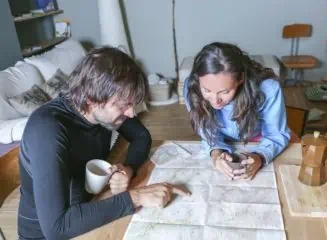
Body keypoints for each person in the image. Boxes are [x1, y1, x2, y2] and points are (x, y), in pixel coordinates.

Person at [18, 47, 190, 240]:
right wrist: (137, 196)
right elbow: (57, 228)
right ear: (92, 99)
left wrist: (129, 169)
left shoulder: (99, 111)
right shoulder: (47, 130)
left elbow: (141, 136)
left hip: (90, 209)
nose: (132, 113)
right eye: (123, 105)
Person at [184, 42, 290, 180]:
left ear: (240, 78)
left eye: (225, 91)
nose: (215, 101)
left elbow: (276, 134)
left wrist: (260, 157)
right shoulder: (192, 87)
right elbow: (206, 129)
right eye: (207, 90)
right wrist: (216, 153)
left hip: (257, 140)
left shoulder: (268, 88)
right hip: (220, 139)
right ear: (197, 79)